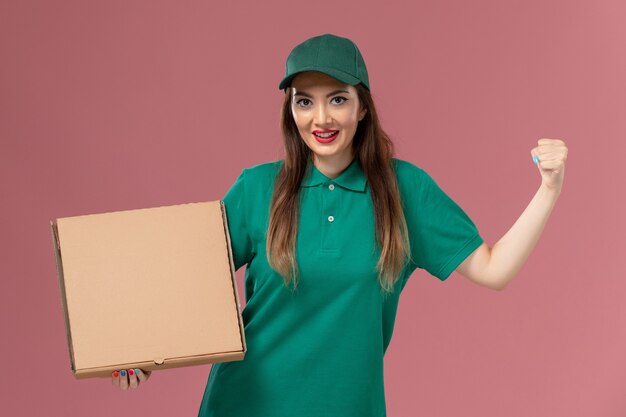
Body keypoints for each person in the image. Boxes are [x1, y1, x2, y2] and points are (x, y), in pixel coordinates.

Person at [110, 34, 568, 416]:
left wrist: (549, 189)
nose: (321, 118)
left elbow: (494, 269)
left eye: (338, 100)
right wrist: (142, 353)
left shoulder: (404, 191)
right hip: (243, 403)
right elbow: (188, 287)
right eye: (304, 101)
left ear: (362, 108)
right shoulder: (256, 188)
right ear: (290, 109)